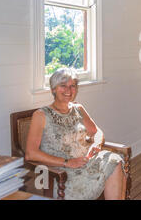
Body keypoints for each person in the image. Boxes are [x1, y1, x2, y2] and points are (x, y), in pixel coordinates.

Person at [25, 68, 124, 200]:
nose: (69, 90)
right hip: (60, 173)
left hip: (85, 163)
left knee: (114, 160)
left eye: (72, 86)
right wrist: (67, 162)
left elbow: (96, 132)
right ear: (53, 89)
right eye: (63, 86)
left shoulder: (78, 109)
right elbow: (30, 153)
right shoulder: (41, 115)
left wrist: (97, 143)